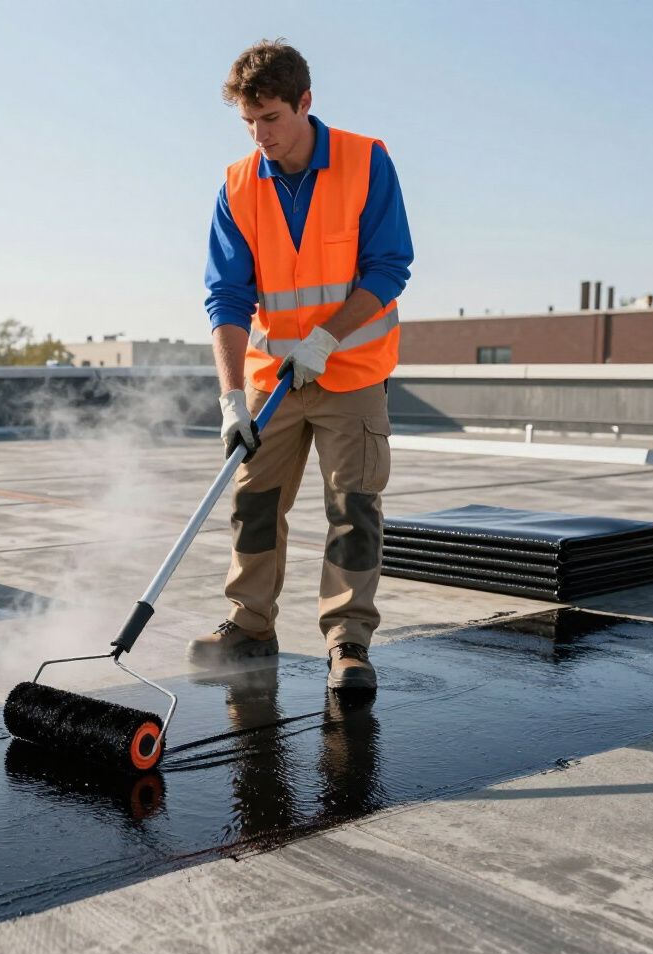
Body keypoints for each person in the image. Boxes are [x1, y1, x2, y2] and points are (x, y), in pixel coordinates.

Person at [188, 39, 414, 692]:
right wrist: (233, 399)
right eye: (249, 123)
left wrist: (325, 339)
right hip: (272, 383)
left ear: (305, 103)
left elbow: (388, 267)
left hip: (351, 372)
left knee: (354, 508)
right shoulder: (238, 185)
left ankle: (348, 643)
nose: (261, 136)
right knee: (253, 505)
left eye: (272, 119)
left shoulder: (366, 161)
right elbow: (225, 297)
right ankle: (249, 626)